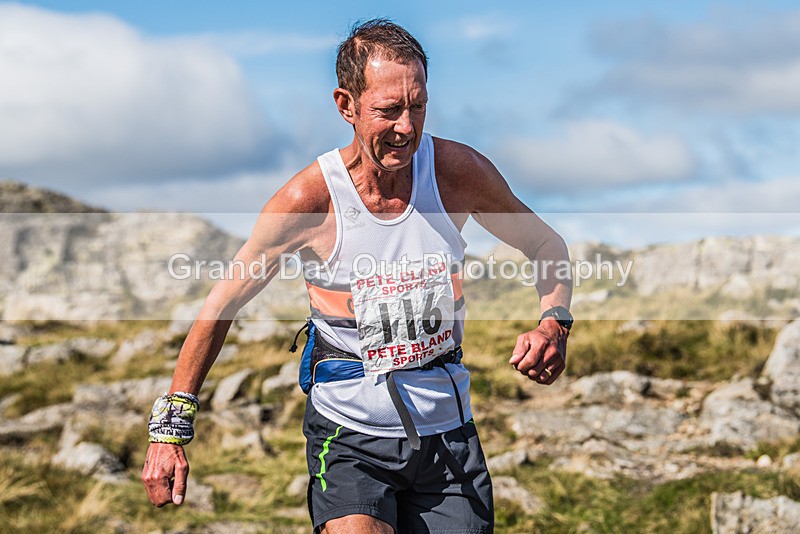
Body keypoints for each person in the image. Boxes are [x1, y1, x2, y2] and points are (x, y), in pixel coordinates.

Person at [142, 19, 573, 534]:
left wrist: (554, 323)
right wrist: (170, 429)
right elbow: (222, 304)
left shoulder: (456, 172)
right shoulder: (308, 200)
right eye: (389, 110)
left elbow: (545, 244)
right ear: (346, 105)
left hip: (447, 434)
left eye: (418, 107)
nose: (407, 127)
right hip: (349, 436)